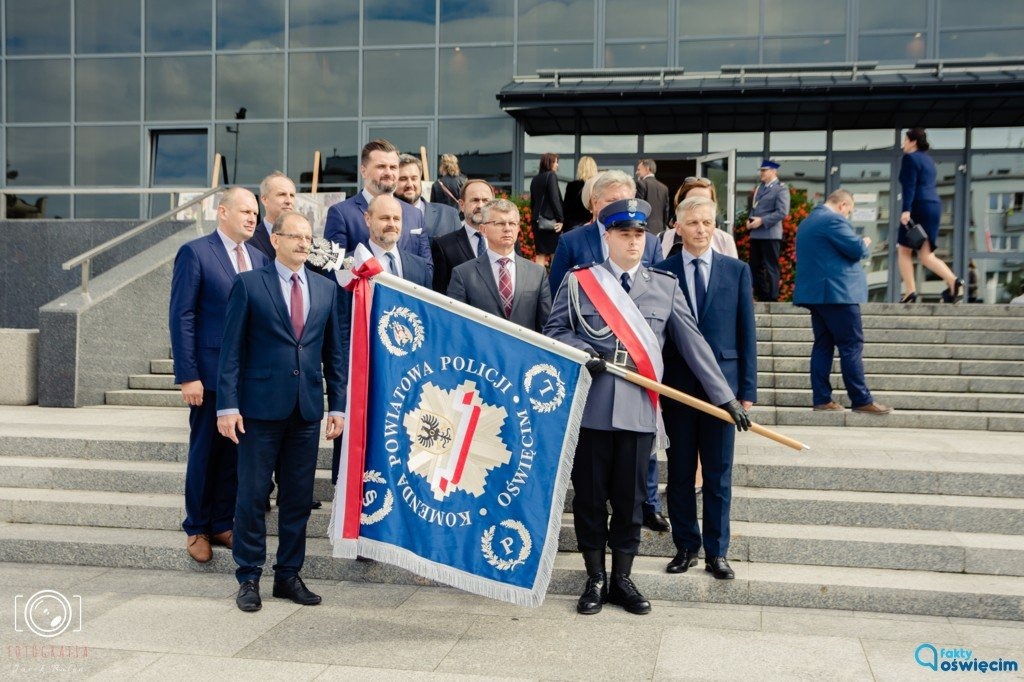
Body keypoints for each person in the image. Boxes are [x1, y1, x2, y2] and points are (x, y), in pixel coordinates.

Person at [544, 198, 750, 616]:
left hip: (639, 413)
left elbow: (694, 345)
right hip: (592, 410)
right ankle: (595, 577)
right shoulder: (581, 281)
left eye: (640, 234)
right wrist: (585, 351)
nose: (634, 241)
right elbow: (556, 329)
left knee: (631, 499)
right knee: (589, 498)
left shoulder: (663, 284)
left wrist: (724, 396)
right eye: (625, 233)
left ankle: (622, 576)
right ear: (608, 237)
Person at [217, 211, 347, 612]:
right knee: (253, 495)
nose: (304, 244)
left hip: (306, 411)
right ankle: (249, 576)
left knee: (298, 499)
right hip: (258, 411)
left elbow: (334, 353)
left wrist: (337, 405)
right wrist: (227, 405)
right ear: (275, 240)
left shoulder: (326, 290)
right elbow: (231, 352)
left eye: (309, 238)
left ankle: (288, 575)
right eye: (295, 236)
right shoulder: (249, 284)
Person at [656, 196, 757, 580]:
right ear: (678, 228)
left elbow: (747, 332)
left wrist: (746, 389)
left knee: (717, 474)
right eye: (694, 222)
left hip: (724, 392)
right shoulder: (660, 273)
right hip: (677, 388)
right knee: (680, 474)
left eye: (708, 222)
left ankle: (718, 551)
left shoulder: (737, 271)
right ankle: (685, 547)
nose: (701, 229)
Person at [170, 187, 267, 564]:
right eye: (244, 211)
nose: (251, 219)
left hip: (247, 377)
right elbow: (182, 316)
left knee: (234, 453)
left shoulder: (259, 257)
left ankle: (222, 521)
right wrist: (187, 374)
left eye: (255, 215)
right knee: (205, 451)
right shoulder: (195, 253)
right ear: (221, 211)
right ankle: (196, 526)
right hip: (208, 376)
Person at [328, 194, 430, 487]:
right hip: (361, 369)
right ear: (368, 220)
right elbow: (340, 324)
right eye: (384, 218)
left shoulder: (418, 267)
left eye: (397, 219)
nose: (391, 224)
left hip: (407, 374)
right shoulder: (348, 265)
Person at [793, 189, 892, 415]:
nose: (848, 215)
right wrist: (864, 241)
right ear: (843, 205)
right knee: (851, 345)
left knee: (823, 345)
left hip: (818, 295)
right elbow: (855, 249)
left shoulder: (808, 222)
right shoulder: (833, 220)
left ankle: (822, 399)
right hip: (837, 293)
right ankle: (861, 399)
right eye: (850, 211)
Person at [549, 169, 660, 297]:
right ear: (595, 203)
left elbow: (660, 293)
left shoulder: (651, 243)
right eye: (612, 201)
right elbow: (556, 294)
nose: (619, 208)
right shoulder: (570, 242)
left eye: (625, 202)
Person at [447, 198, 552, 333]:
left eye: (512, 223)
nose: (507, 228)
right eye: (500, 223)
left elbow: (546, 326)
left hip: (525, 352)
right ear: (483, 229)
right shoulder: (463, 274)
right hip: (481, 352)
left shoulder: (537, 273)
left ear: (518, 228)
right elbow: (455, 324)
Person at [324, 139, 431, 264]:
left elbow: (426, 267)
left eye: (393, 167)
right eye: (381, 166)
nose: (388, 172)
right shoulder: (341, 214)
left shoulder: (415, 214)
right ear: (363, 171)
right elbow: (334, 268)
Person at [897, 127, 964, 303]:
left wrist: (906, 210)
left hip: (918, 206)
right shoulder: (928, 161)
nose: (903, 143)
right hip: (934, 206)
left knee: (903, 250)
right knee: (926, 255)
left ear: (912, 142)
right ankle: (953, 281)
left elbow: (909, 186)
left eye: (905, 140)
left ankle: (910, 291)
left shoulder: (909, 158)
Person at [430, 179, 495, 293]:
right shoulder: (444, 246)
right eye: (475, 200)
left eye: (485, 201)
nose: (480, 205)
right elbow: (440, 292)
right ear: (462, 205)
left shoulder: (507, 241)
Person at [662, 176, 738, 260]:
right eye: (692, 202)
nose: (698, 207)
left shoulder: (724, 240)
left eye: (705, 202)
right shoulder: (663, 238)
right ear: (680, 204)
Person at [747, 160, 790, 302]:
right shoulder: (760, 188)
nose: (762, 173)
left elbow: (782, 212)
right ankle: (763, 296)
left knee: (771, 267)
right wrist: (750, 220)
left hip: (770, 234)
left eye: (764, 170)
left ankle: (772, 298)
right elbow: (754, 208)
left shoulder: (781, 189)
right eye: (761, 170)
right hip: (756, 233)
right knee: (754, 267)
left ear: (773, 171)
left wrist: (762, 221)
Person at [396, 153, 460, 239]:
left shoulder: (450, 216)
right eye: (403, 179)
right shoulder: (379, 216)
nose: (409, 184)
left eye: (414, 178)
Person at [529, 152, 564, 266]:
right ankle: (553, 284)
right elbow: (555, 199)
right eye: (555, 162)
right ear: (548, 163)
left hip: (537, 222)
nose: (557, 165)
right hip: (550, 222)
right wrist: (561, 219)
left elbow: (533, 203)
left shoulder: (535, 179)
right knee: (555, 254)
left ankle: (538, 283)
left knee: (540, 255)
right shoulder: (551, 175)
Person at [251, 171, 295, 260]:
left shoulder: (308, 241)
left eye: (292, 195)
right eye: (282, 194)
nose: (289, 201)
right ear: (264, 199)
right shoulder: (249, 240)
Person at [635, 159, 670, 234]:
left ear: (647, 169)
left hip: (644, 229)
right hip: (660, 230)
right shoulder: (664, 187)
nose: (636, 172)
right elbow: (666, 212)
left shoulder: (641, 184)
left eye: (638, 170)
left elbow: (638, 208)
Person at [563, 155, 598, 230]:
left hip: (572, 226)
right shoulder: (596, 186)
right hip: (590, 225)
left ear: (580, 168)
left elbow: (566, 209)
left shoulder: (571, 186)